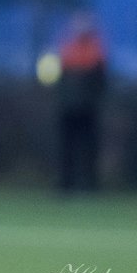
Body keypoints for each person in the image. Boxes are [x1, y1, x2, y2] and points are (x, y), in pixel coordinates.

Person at [55, 12, 108, 192]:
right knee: (67, 148)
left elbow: (100, 81)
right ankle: (66, 185)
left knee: (89, 149)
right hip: (69, 108)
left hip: (87, 108)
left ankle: (90, 185)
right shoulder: (68, 47)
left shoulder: (95, 49)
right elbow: (61, 79)